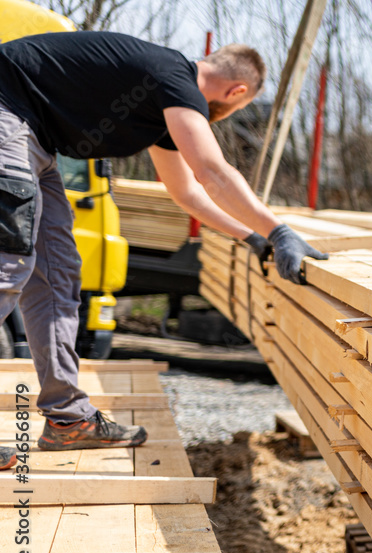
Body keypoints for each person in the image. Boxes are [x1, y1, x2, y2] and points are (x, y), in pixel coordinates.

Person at [0, 31, 326, 468]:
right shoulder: (175, 76)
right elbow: (212, 170)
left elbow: (187, 194)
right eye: (236, 110)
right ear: (238, 92)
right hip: (7, 116)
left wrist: (252, 237)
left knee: (58, 273)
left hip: (32, 139)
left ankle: (67, 419)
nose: (223, 118)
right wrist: (279, 229)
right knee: (9, 265)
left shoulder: (162, 103)